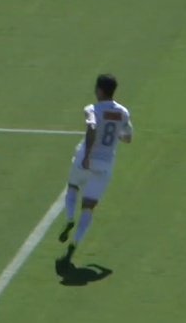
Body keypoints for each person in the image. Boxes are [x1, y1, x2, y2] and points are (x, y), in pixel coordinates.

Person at [57, 74, 133, 260]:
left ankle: (68, 218)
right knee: (89, 207)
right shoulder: (123, 112)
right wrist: (116, 135)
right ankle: (76, 242)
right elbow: (128, 138)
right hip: (106, 163)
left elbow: (91, 127)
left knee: (73, 186)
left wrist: (88, 154)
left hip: (87, 158)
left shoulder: (92, 109)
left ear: (99, 90)